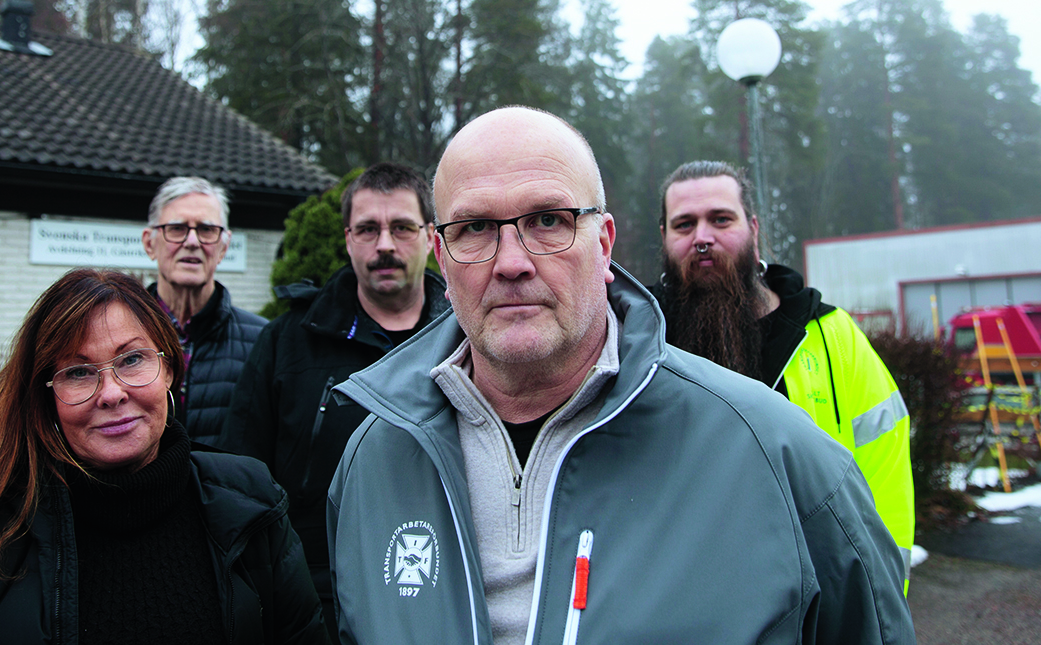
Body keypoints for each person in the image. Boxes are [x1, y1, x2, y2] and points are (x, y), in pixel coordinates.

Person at [325, 107, 914, 644]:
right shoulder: (371, 463)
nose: (511, 262)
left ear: (604, 244)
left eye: (549, 220)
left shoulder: (777, 456)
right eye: (474, 228)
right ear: (441, 255)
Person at [0, 269, 328, 645]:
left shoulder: (251, 503)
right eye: (79, 372)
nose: (112, 393)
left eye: (132, 360)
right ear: (46, 394)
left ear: (169, 370)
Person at [652, 160, 914, 588]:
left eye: (720, 219)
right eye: (684, 224)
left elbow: (884, 481)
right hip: (678, 599)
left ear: (753, 229)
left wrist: (879, 604)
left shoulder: (834, 338)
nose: (702, 237)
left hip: (813, 603)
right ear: (664, 237)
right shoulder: (634, 344)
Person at [219, 162, 449, 642]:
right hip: (310, 596)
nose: (385, 244)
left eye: (402, 227)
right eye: (368, 229)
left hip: (441, 587)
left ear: (431, 237)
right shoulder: (287, 343)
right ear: (347, 239)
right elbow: (240, 473)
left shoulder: (467, 342)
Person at [142, 176, 267, 446]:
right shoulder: (122, 337)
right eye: (176, 228)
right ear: (150, 243)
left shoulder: (264, 341)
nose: (192, 241)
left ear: (223, 246)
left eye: (206, 230)